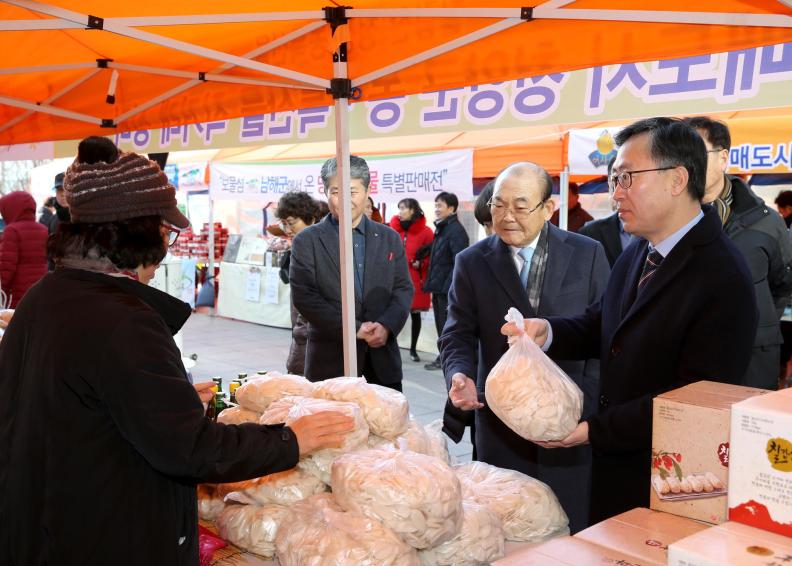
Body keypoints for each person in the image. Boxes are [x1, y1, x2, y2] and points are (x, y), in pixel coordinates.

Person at [0, 138, 354, 566]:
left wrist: (172, 401)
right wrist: (290, 439)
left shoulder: (46, 295)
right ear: (138, 233)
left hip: (44, 524)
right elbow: (190, 450)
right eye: (166, 230)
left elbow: (83, 406)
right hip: (105, 534)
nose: (166, 245)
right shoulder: (124, 319)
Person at [500, 117, 757, 524]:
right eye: (614, 178)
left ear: (677, 179)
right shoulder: (641, 251)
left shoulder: (722, 275)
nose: (615, 193)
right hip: (616, 468)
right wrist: (546, 331)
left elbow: (690, 400)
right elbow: (601, 323)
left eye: (627, 178)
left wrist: (594, 431)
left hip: (672, 483)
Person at [438, 161, 610, 533]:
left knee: (570, 530)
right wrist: (460, 374)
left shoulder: (587, 253)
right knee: (506, 528)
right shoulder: (472, 262)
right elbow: (458, 332)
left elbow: (604, 336)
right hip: (501, 424)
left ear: (548, 208)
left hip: (568, 422)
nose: (507, 216)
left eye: (520, 205)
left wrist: (587, 410)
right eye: (498, 205)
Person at [684, 116, 792, 390]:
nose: (686, 162)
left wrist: (755, 320)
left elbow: (782, 285)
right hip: (685, 355)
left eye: (696, 152)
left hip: (752, 357)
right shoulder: (669, 218)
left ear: (723, 158)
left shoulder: (766, 220)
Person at [290, 155, 413, 391]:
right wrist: (353, 328)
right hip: (329, 362)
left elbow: (402, 288)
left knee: (385, 425)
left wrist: (386, 326)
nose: (345, 200)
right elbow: (305, 297)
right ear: (325, 192)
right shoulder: (308, 241)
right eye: (336, 192)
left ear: (367, 191)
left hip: (382, 362)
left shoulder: (389, 237)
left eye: (353, 192)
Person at [276, 191, 321, 375]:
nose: (287, 230)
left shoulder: (317, 247)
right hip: (302, 331)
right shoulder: (300, 245)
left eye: (292, 223)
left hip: (310, 333)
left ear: (310, 218)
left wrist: (302, 333)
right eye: (284, 224)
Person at [423, 191, 469, 371]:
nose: (436, 209)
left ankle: (447, 358)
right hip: (439, 285)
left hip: (446, 288)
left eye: (440, 205)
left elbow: (458, 262)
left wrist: (448, 287)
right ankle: (443, 356)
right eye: (435, 205)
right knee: (441, 325)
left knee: (446, 325)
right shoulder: (443, 228)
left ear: (451, 208)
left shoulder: (455, 230)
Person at [389, 198, 434, 362]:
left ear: (413, 210)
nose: (400, 211)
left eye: (404, 208)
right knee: (393, 314)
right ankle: (391, 347)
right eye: (399, 208)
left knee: (415, 315)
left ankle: (413, 349)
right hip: (394, 278)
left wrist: (421, 263)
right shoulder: (392, 229)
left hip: (415, 277)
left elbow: (431, 256)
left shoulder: (426, 232)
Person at [579, 157, 631, 268]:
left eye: (625, 181)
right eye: (613, 183)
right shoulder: (589, 234)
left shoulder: (665, 233)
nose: (617, 193)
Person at [0, 191, 48, 308]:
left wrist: (2, 288)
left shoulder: (12, 230)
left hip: (17, 292)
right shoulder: (43, 229)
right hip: (40, 288)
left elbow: (7, 267)